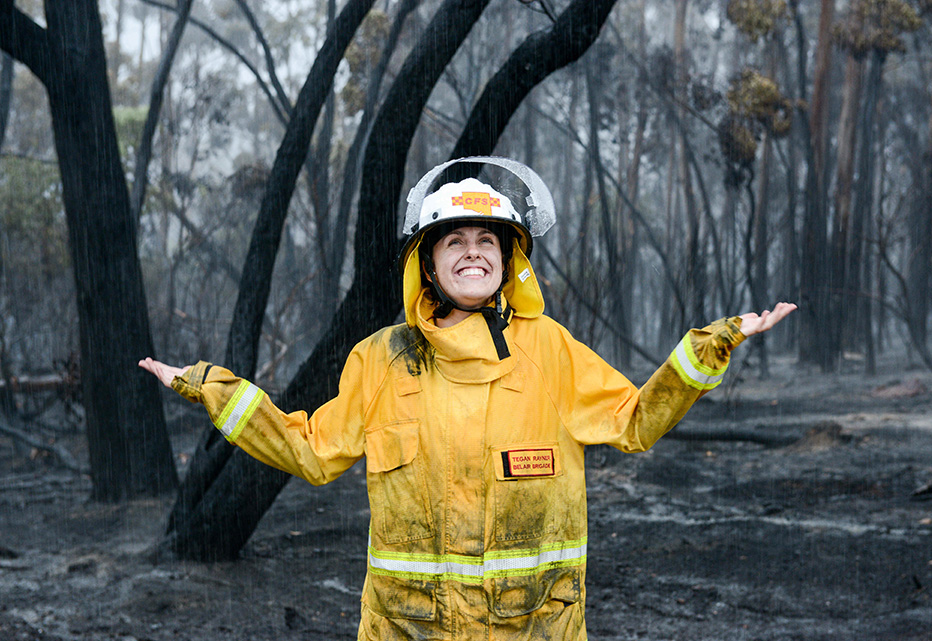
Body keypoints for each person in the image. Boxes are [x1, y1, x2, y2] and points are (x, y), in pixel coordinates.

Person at [140, 157, 795, 640]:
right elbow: (309, 448)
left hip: (534, 627)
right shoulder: (379, 359)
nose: (473, 252)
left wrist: (715, 344)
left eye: (488, 241)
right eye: (454, 240)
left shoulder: (551, 351)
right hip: (409, 629)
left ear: (510, 261)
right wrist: (210, 387)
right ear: (426, 263)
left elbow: (633, 421)